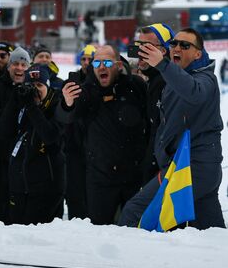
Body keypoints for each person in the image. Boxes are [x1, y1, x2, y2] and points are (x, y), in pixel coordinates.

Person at [119, 28, 226, 230]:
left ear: (198, 54)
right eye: (174, 43)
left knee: (135, 211)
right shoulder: (175, 77)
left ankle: (128, 258)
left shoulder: (205, 79)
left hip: (192, 167)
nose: (177, 48)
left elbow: (193, 92)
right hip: (192, 167)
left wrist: (162, 64)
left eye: (185, 45)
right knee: (210, 232)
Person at [58, 45, 147, 225]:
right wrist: (67, 104)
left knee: (136, 231)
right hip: (100, 176)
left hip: (133, 174)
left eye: (106, 62)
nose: (101, 67)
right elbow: (66, 118)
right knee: (100, 230)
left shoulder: (136, 86)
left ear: (119, 65)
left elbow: (151, 122)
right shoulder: (87, 91)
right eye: (97, 62)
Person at [0, 63, 65, 224]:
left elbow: (50, 136)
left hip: (47, 187)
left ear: (48, 86)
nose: (35, 89)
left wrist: (31, 107)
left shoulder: (58, 105)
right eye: (30, 85)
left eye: (39, 85)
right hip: (19, 184)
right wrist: (15, 101)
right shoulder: (23, 103)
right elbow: (3, 133)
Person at [0, 47, 31, 223]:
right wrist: (14, 103)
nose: (19, 68)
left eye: (23, 64)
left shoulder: (32, 89)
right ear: (9, 66)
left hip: (22, 158)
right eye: (15, 64)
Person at [133, 23, 174, 184]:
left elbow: (162, 134)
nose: (139, 52)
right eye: (138, 46)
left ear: (163, 51)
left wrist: (151, 170)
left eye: (146, 47)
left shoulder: (167, 82)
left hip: (164, 170)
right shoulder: (152, 80)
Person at [63, 44, 95, 219]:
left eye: (90, 59)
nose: (86, 62)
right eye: (83, 59)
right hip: (74, 143)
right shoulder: (72, 82)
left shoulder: (99, 83)